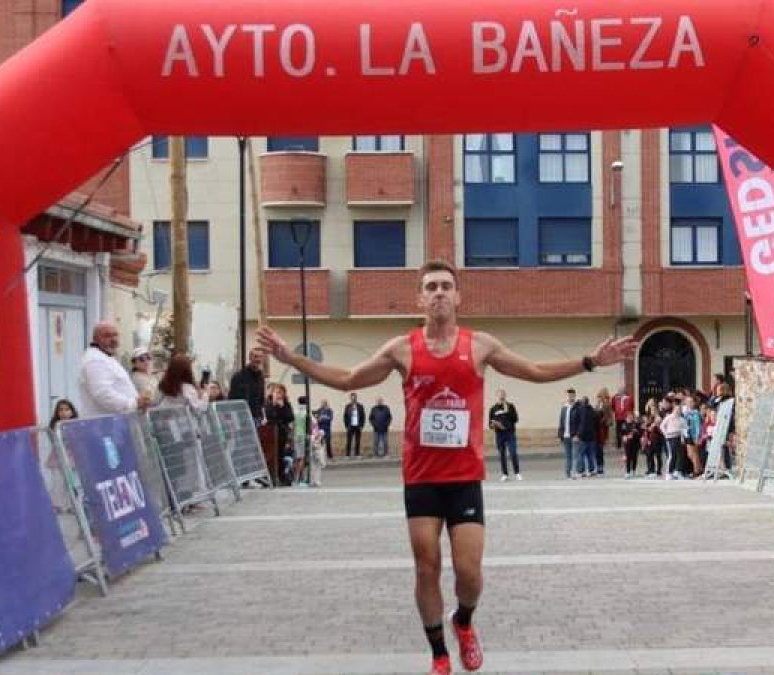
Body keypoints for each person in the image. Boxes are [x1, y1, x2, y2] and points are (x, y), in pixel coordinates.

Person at [257, 260, 635, 675]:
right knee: (426, 566)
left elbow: (533, 370)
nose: (438, 292)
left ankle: (464, 621)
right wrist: (291, 357)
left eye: (445, 286)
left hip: (464, 477)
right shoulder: (402, 348)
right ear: (420, 298)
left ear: (458, 297)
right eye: (430, 287)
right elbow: (348, 379)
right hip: (421, 477)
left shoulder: (480, 346)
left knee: (469, 572)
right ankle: (438, 652)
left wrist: (589, 362)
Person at [77, 321, 150, 418]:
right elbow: (103, 394)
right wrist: (133, 403)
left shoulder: (106, 357)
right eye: (107, 336)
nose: (113, 339)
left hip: (117, 422)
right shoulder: (95, 360)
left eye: (115, 335)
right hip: (106, 425)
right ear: (95, 339)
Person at [487, 390, 520, 481]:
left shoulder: (510, 406)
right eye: (500, 394)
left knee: (513, 452)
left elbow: (516, 419)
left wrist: (507, 411)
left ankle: (517, 473)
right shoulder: (493, 408)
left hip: (510, 433)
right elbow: (490, 424)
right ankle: (505, 474)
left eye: (503, 394)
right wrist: (494, 424)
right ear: (496, 396)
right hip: (499, 434)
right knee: (502, 454)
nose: (501, 396)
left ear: (505, 395)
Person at [228, 349, 267, 422]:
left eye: (260, 357)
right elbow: (232, 398)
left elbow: (261, 398)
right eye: (255, 356)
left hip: (257, 417)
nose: (258, 359)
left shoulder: (261, 377)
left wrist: (262, 415)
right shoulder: (239, 376)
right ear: (250, 358)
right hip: (242, 418)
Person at [557, 388, 583, 479]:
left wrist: (578, 435)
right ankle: (567, 473)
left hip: (574, 436)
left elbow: (581, 423)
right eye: (568, 395)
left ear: (574, 396)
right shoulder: (564, 407)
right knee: (568, 456)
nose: (570, 397)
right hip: (565, 436)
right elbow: (561, 422)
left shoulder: (578, 407)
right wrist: (560, 435)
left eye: (572, 395)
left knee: (575, 455)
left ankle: (575, 473)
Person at [344, 392, 366, 458]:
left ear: (356, 398)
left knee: (357, 441)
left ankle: (357, 454)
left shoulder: (360, 406)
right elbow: (345, 416)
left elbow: (363, 416)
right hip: (350, 426)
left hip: (358, 426)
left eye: (354, 397)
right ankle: (347, 455)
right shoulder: (347, 406)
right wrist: (346, 426)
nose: (353, 398)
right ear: (350, 398)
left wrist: (362, 426)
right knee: (349, 441)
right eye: (352, 397)